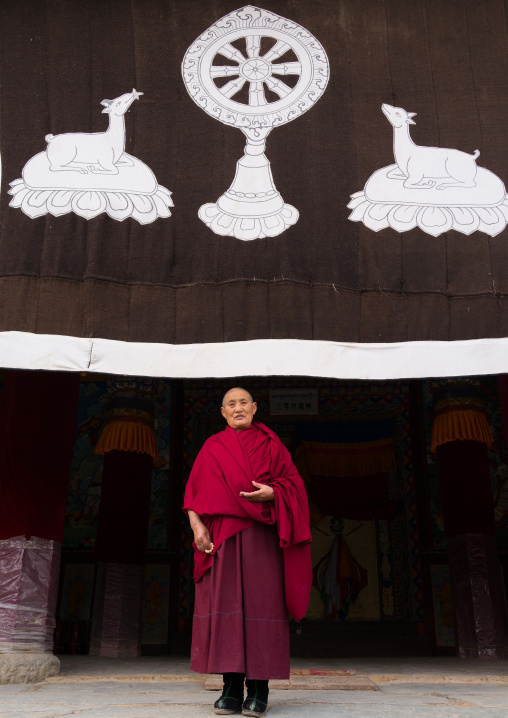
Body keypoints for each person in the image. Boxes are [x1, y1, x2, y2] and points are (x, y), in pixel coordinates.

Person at [184, 388, 312, 717]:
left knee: (262, 608)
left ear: (254, 408)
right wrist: (198, 528)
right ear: (223, 412)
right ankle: (230, 687)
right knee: (226, 610)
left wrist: (273, 493)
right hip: (222, 539)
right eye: (232, 404)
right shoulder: (212, 448)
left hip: (261, 538)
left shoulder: (271, 444)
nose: (238, 408)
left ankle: (259, 689)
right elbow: (193, 497)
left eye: (244, 403)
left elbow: (294, 484)